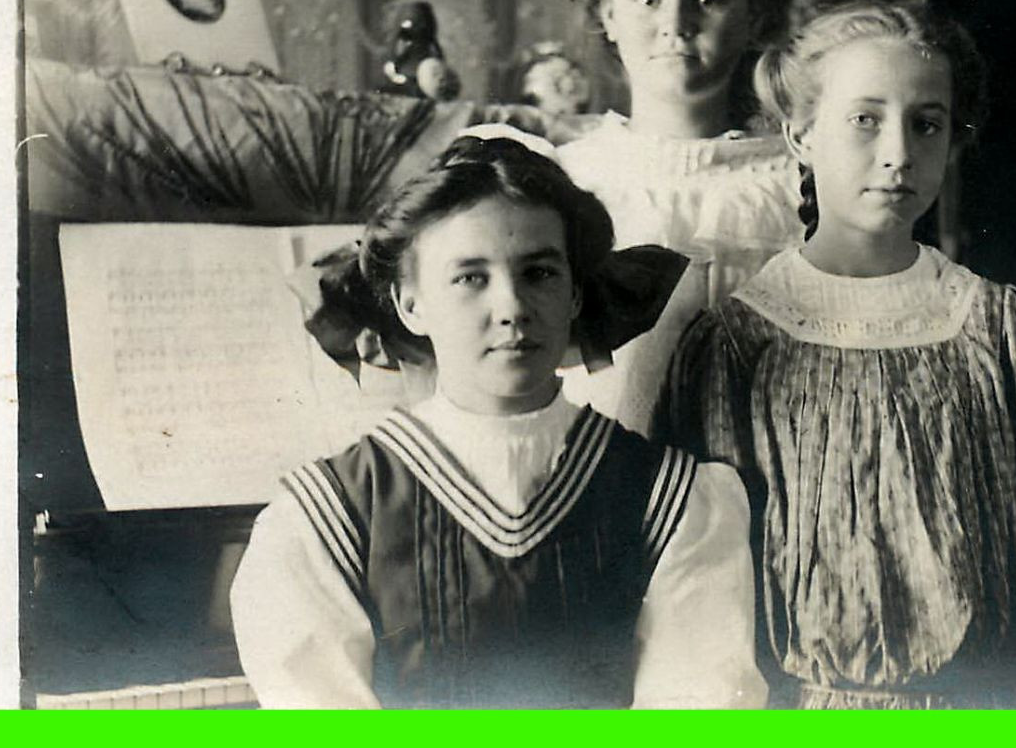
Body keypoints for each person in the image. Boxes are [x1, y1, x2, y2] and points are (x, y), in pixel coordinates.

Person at [658, 0, 1016, 709]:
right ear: (801, 134)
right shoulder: (739, 343)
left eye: (925, 123)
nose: (898, 152)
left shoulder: (997, 325)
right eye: (864, 119)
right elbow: (708, 589)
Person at [230, 134, 766, 709]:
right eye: (470, 277)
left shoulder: (674, 500)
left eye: (538, 273)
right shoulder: (325, 516)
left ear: (576, 295)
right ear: (410, 304)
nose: (511, 307)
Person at [557, 0, 806, 432]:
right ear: (608, 14)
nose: (676, 23)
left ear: (756, 16)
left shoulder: (798, 188)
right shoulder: (564, 180)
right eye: (647, 0)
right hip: (601, 467)